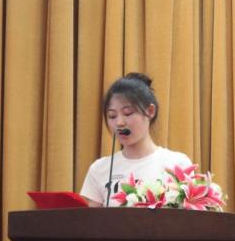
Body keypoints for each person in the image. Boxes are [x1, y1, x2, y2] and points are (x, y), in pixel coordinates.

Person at [80, 73, 192, 207]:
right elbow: (90, 219)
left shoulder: (177, 163)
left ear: (150, 111)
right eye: (112, 116)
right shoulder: (99, 169)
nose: (119, 122)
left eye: (128, 113)